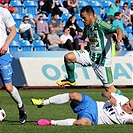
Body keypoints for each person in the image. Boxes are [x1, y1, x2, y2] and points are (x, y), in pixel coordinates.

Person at [56, 5, 123, 95]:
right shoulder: (87, 27)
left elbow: (118, 29)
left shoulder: (100, 24)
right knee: (68, 57)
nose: (82, 20)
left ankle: (126, 102)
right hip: (90, 55)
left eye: (84, 18)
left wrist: (118, 37)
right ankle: (71, 80)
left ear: (91, 15)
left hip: (102, 61)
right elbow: (84, 37)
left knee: (110, 90)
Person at [31, 91, 133, 126]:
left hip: (94, 118)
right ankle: (43, 102)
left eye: (129, 105)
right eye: (129, 101)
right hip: (92, 104)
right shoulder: (122, 98)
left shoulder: (127, 118)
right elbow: (104, 93)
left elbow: (130, 122)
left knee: (81, 123)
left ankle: (50, 122)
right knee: (74, 95)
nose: (126, 103)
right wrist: (110, 97)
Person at [0, 6, 26, 124]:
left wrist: (6, 45)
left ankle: (21, 106)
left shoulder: (3, 11)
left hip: (3, 54)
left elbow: (13, 30)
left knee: (8, 87)